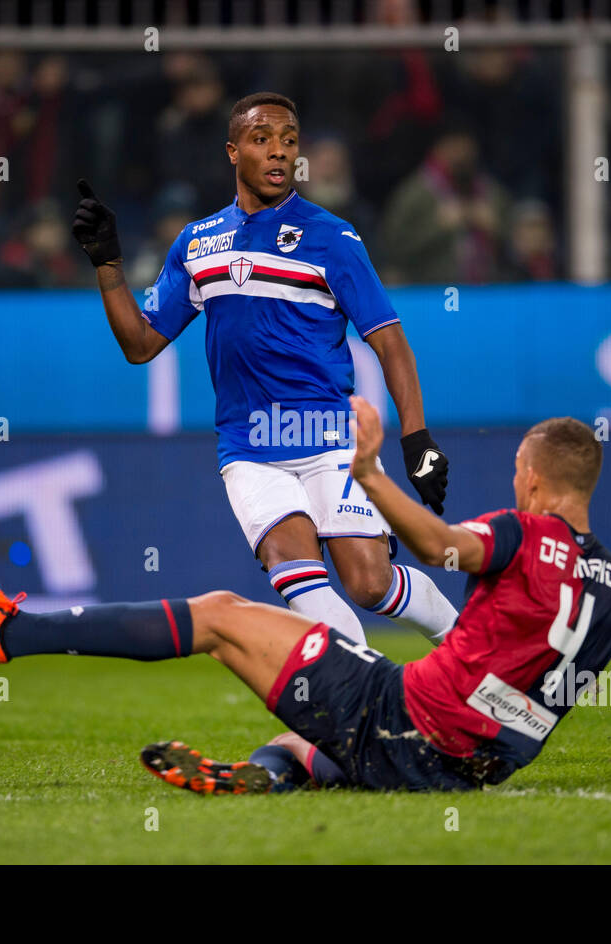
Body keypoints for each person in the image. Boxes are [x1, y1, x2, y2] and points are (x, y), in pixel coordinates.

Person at [0, 397, 611, 795]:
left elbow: (442, 546)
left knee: (221, 614)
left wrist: (370, 474)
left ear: (536, 477)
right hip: (466, 770)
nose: (511, 477)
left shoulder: (522, 534)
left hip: (400, 715)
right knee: (304, 738)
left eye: (517, 468)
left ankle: (12, 629)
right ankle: (267, 777)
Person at [70, 91, 457, 647]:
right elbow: (140, 343)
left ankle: (469, 647)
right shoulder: (198, 242)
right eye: (261, 139)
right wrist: (108, 263)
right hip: (249, 450)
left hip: (329, 439)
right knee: (320, 604)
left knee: (369, 584)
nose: (279, 153)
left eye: (289, 141)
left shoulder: (334, 238)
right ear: (233, 151)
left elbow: (389, 341)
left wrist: (417, 439)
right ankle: (369, 717)